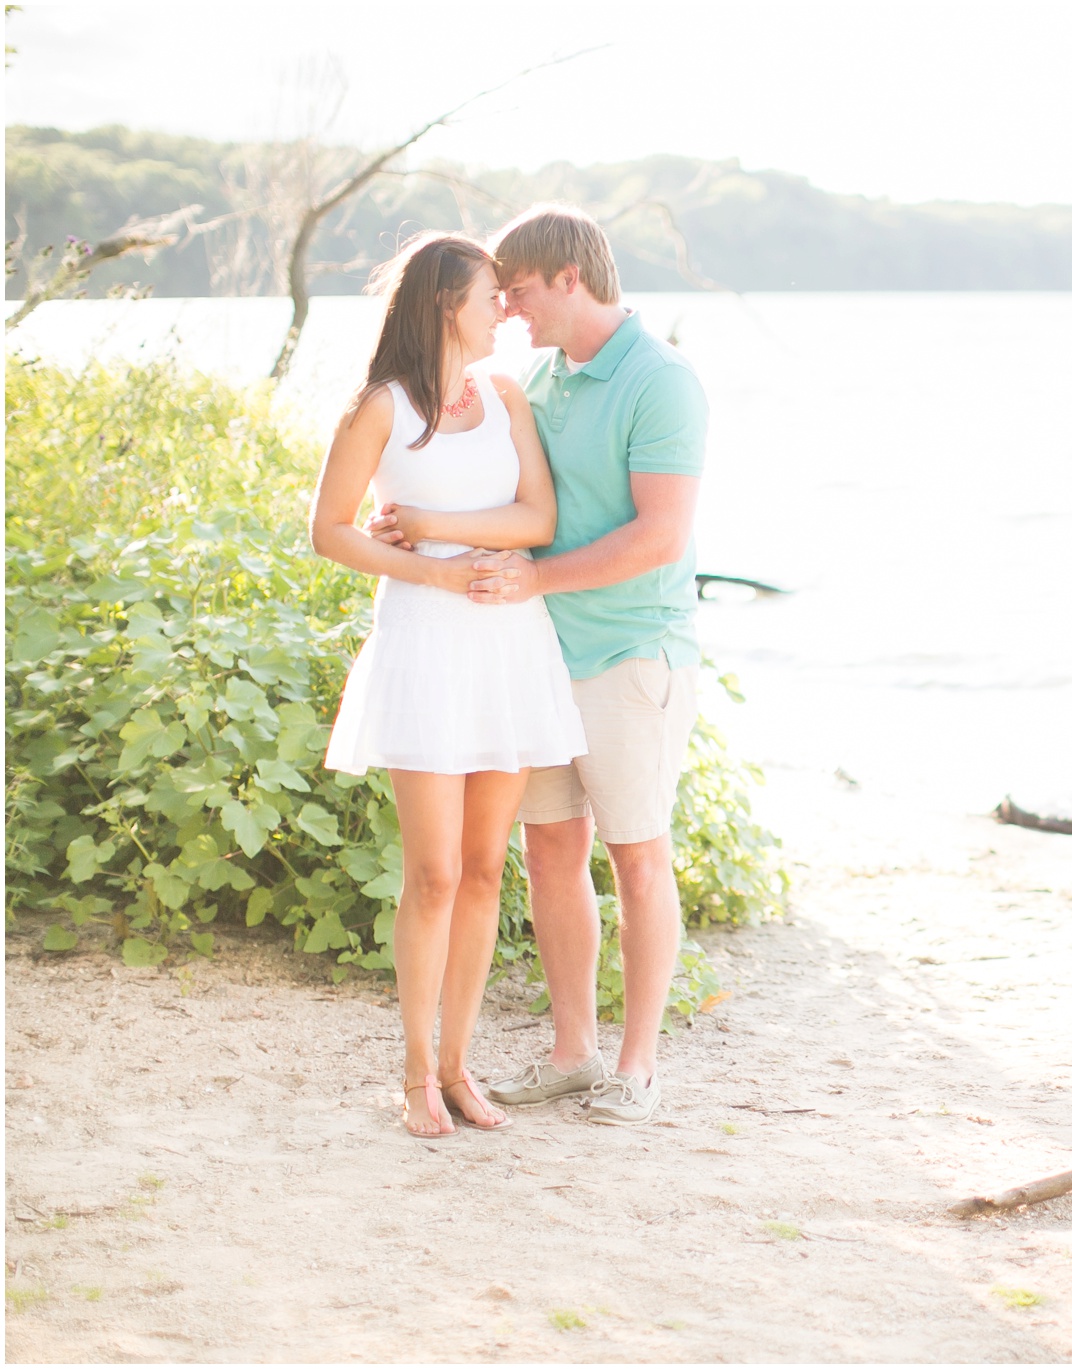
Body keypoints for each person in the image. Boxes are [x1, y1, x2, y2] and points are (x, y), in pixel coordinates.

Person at [312, 232, 586, 1138]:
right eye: (488, 297)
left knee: (481, 870)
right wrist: (434, 568)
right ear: (443, 305)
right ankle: (416, 1073)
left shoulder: (507, 397)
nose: (503, 310)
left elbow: (536, 517)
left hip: (509, 649)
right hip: (427, 645)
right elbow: (331, 529)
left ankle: (463, 1068)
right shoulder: (382, 407)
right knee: (431, 873)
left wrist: (433, 522)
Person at [462, 204, 708, 1127]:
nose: (511, 310)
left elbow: (659, 536)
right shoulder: (539, 378)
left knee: (638, 858)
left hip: (630, 656)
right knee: (550, 851)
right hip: (541, 656)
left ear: (569, 278)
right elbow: (508, 497)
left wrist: (535, 577)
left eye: (518, 292)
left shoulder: (663, 380)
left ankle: (637, 1068)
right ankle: (574, 1054)